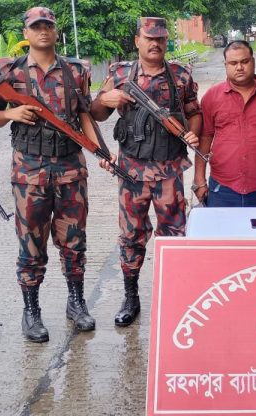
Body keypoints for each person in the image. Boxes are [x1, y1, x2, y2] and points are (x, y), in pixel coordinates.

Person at [0, 6, 104, 342]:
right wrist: (12, 113)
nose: (42, 32)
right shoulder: (7, 72)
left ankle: (76, 302)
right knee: (31, 246)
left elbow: (85, 116)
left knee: (74, 242)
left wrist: (100, 153)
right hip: (29, 172)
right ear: (25, 33)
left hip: (70, 169)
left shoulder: (76, 70)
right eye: (35, 27)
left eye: (48, 26)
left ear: (55, 31)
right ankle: (32, 311)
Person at [90, 17, 201, 327]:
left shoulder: (180, 75)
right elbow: (96, 114)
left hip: (169, 171)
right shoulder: (119, 73)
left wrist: (192, 133)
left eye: (161, 39)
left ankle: (174, 295)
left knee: (174, 236)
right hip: (131, 173)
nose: (156, 43)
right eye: (149, 38)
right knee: (131, 237)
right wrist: (104, 98)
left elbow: (195, 112)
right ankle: (131, 297)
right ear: (137, 40)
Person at [193, 40, 256, 207]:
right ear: (225, 65)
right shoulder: (212, 97)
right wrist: (199, 178)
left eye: (244, 61)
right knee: (222, 233)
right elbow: (205, 138)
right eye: (233, 63)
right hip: (222, 187)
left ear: (253, 61)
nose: (239, 67)